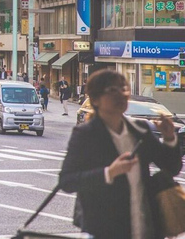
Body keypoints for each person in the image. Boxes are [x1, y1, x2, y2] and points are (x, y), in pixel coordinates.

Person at [59, 70, 182, 239]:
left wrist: (169, 138)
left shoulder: (140, 130)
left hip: (146, 227)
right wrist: (109, 172)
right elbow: (67, 180)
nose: (121, 95)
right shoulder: (86, 134)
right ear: (95, 99)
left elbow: (171, 168)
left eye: (124, 89)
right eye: (112, 91)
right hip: (105, 229)